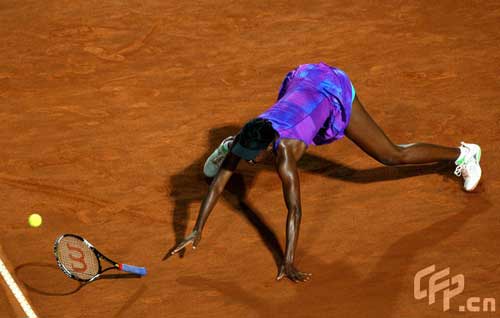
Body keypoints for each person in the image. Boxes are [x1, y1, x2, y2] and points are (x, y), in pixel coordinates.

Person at [171, 62, 482, 283]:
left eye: (252, 156)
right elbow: (218, 183)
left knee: (390, 155)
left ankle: (464, 155)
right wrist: (198, 229)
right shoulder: (254, 131)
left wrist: (288, 259)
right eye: (246, 155)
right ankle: (230, 149)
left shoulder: (286, 154)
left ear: (270, 147)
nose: (251, 162)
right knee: (232, 159)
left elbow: (294, 210)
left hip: (330, 88)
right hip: (303, 80)